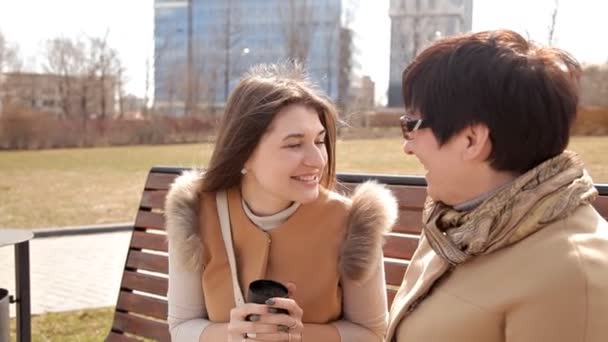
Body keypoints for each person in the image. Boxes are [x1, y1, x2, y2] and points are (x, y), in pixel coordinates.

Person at [386, 29, 608, 342]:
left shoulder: (573, 276)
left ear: (471, 140)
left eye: (411, 126)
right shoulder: (458, 223)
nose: (407, 147)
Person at [165, 63, 398, 342]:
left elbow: (372, 333)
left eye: (320, 141)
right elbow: (182, 326)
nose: (317, 160)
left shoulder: (354, 223)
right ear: (244, 153)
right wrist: (232, 335)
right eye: (294, 144)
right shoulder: (196, 214)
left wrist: (301, 336)